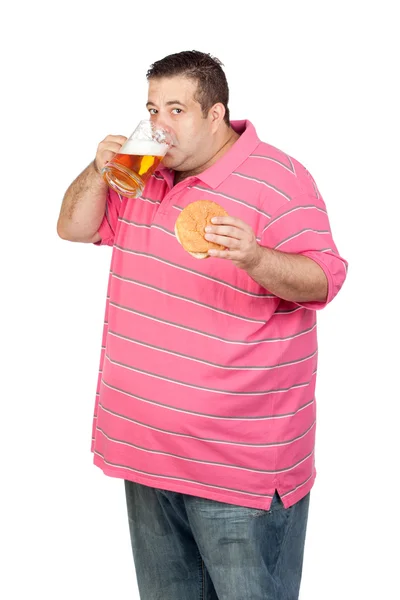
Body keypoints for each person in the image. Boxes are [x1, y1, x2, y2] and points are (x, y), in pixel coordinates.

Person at [57, 50, 347, 600]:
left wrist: (255, 257)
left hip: (239, 465)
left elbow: (324, 282)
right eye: (151, 109)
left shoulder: (280, 180)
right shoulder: (139, 178)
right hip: (145, 449)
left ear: (215, 114)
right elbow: (72, 227)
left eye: (176, 109)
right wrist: (97, 169)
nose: (160, 125)